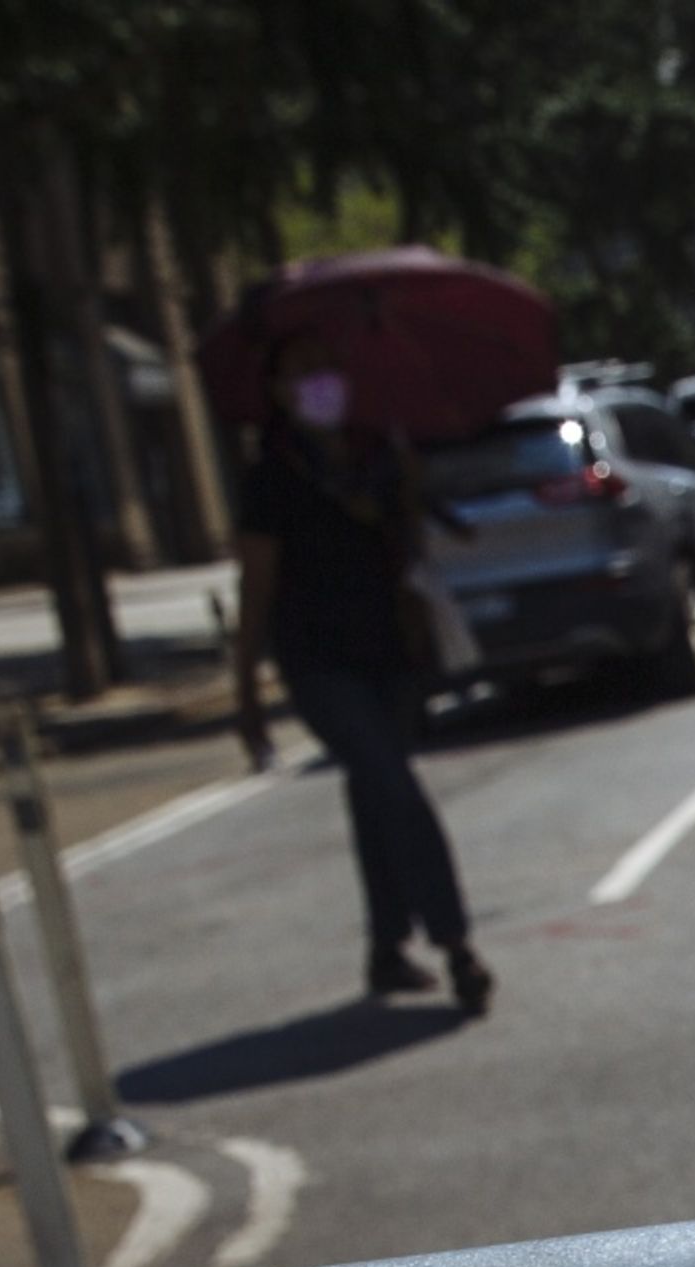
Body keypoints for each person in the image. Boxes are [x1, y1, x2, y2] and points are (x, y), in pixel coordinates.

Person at [230, 330, 492, 1015]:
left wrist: (410, 490)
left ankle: (385, 948)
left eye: (328, 366)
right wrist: (246, 690)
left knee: (376, 794)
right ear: (279, 391)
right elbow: (255, 587)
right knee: (394, 785)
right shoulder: (271, 477)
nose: (321, 381)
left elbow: (429, 542)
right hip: (318, 662)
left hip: (390, 652)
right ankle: (456, 941)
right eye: (302, 371)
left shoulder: (380, 456)